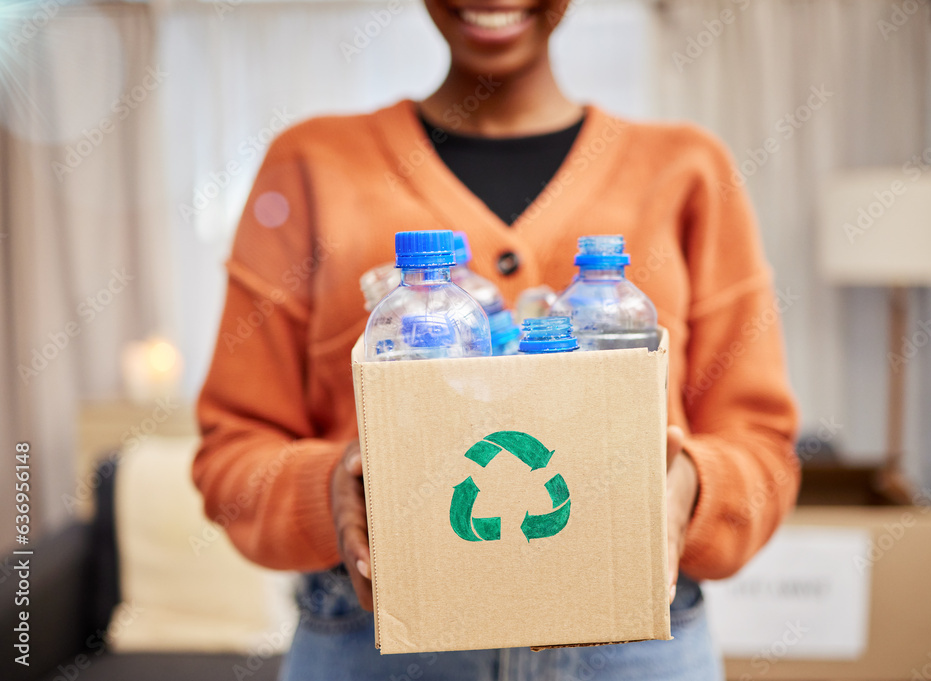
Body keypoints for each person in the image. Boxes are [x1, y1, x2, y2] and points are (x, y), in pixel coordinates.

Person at [194, 1, 800, 679]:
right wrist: (330, 490)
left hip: (632, 639)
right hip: (374, 635)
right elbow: (231, 461)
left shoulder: (688, 171)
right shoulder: (312, 166)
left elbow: (765, 454)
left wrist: (689, 487)